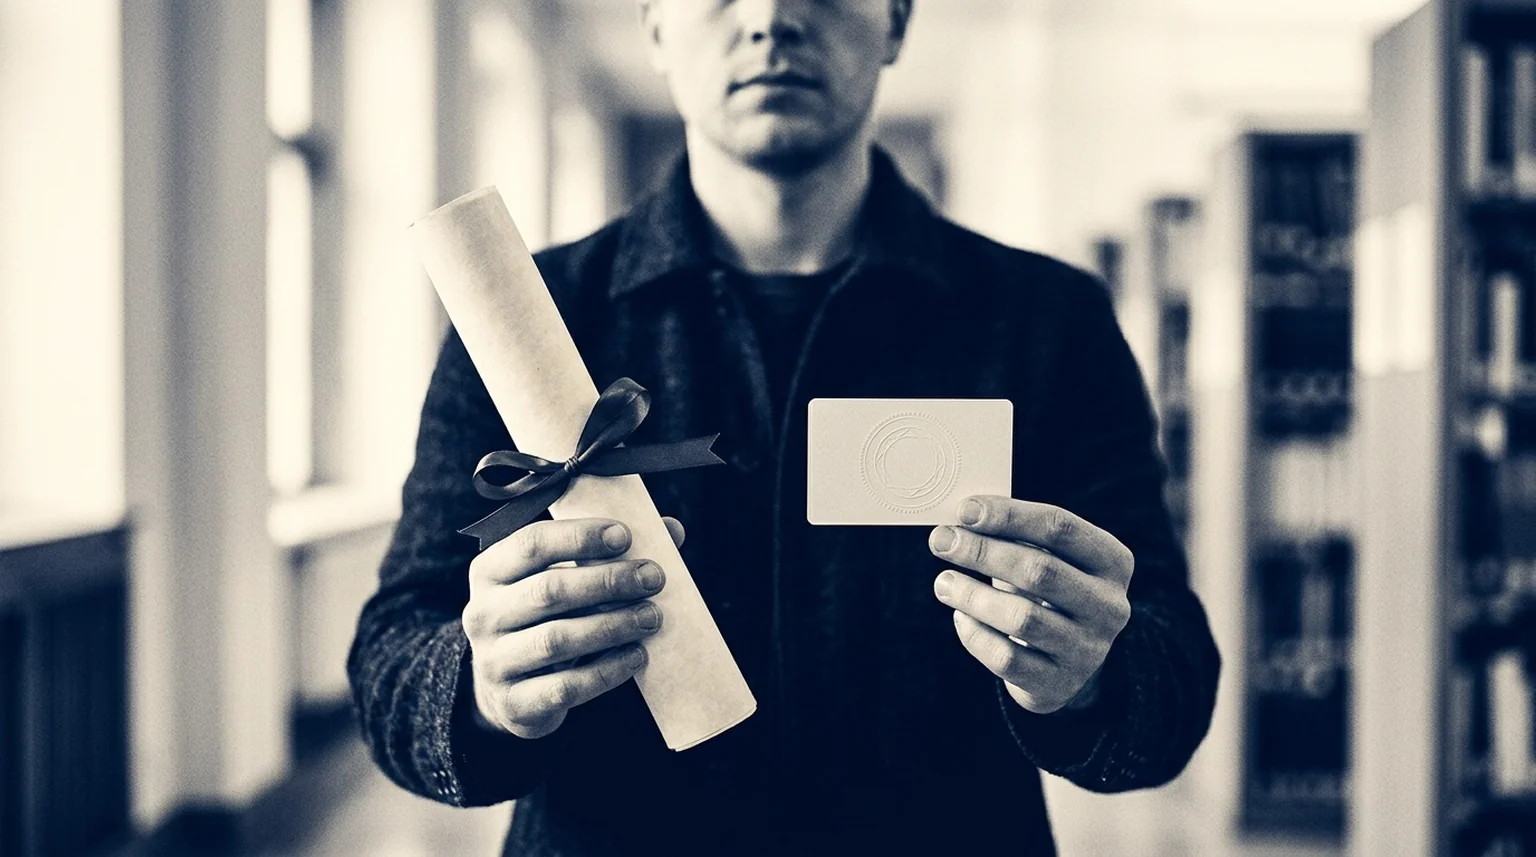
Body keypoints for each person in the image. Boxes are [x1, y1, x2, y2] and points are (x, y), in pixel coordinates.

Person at [348, 1, 1221, 854]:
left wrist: (1096, 677)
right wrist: (481, 686)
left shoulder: (1049, 320)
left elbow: (1173, 667)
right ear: (654, 23)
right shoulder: (522, 321)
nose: (770, 16)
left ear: (899, 21)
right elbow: (392, 653)